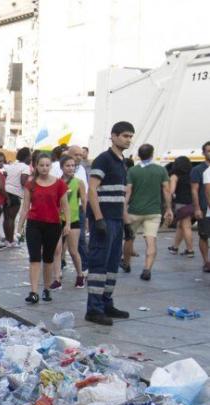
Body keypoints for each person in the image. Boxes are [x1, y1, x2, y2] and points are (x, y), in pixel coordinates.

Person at [85, 121, 133, 326]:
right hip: (103, 220)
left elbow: (120, 195)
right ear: (113, 136)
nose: (128, 139)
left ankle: (106, 303)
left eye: (130, 136)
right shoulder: (103, 160)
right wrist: (98, 219)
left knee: (113, 265)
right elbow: (92, 190)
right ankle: (94, 309)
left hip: (116, 220)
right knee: (99, 264)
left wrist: (127, 222)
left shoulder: (122, 161)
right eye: (124, 136)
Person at [17, 153, 70, 303]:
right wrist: (19, 226)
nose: (44, 168)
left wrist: (68, 224)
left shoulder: (59, 184)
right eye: (41, 165)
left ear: (51, 166)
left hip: (53, 224)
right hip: (34, 224)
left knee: (48, 259)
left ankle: (47, 289)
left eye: (47, 165)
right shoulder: (31, 184)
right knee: (34, 258)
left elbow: (65, 206)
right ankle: (33, 292)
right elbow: (25, 206)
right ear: (36, 166)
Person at [121, 144, 173, 280]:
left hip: (134, 211)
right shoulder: (161, 170)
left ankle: (126, 263)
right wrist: (168, 208)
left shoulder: (133, 171)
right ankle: (147, 269)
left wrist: (124, 208)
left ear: (139, 155)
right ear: (152, 154)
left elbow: (128, 191)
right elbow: (166, 191)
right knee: (151, 240)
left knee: (129, 239)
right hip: (154, 212)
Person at [51, 154, 86, 289]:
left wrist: (86, 218)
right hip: (57, 220)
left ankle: (80, 275)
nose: (71, 168)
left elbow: (84, 201)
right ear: (61, 167)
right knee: (57, 250)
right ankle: (57, 279)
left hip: (74, 220)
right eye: (68, 165)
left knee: (73, 251)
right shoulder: (56, 182)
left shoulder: (78, 182)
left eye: (73, 165)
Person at [3, 147, 32, 246]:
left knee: (6, 218)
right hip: (15, 194)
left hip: (5, 192)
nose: (31, 159)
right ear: (27, 157)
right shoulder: (25, 167)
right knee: (11, 218)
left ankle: (7, 240)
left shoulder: (12, 165)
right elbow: (23, 181)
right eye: (30, 156)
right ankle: (11, 241)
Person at [68, 145, 90, 272]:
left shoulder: (81, 169)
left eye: (81, 155)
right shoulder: (57, 167)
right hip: (62, 211)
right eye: (76, 155)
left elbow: (85, 192)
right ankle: (58, 264)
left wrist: (87, 214)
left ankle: (85, 267)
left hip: (79, 210)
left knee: (80, 238)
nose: (79, 157)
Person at [168, 156, 195, 257]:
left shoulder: (175, 175)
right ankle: (175, 247)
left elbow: (171, 191)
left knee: (186, 226)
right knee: (181, 225)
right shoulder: (191, 175)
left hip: (181, 204)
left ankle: (190, 250)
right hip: (191, 203)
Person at [191, 141, 210, 272]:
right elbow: (194, 190)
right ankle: (206, 261)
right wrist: (197, 208)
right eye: (208, 150)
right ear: (204, 153)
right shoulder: (198, 170)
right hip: (204, 208)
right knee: (204, 235)